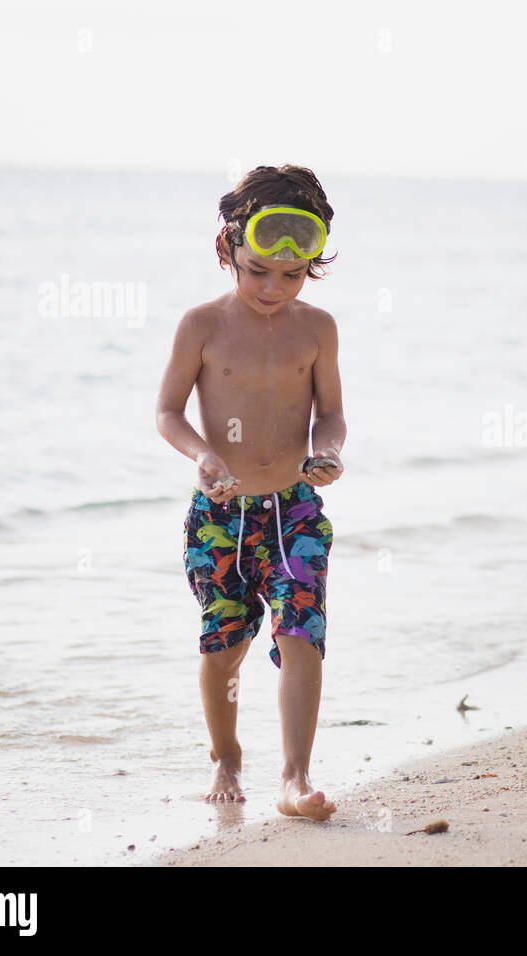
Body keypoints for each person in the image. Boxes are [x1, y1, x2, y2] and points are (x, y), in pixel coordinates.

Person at [155, 164, 344, 820]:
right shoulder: (201, 325)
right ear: (226, 250)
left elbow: (332, 414)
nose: (274, 288)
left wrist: (329, 453)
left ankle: (295, 777)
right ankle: (226, 754)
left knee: (303, 632)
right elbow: (168, 414)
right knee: (224, 641)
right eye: (260, 270)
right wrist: (203, 453)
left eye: (292, 275)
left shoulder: (317, 329)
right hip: (222, 514)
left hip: (294, 508)